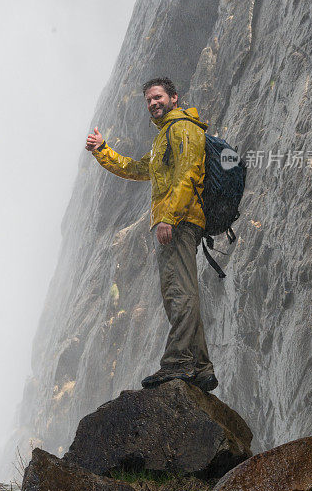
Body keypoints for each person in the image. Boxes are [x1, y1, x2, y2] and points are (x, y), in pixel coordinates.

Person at [85, 77, 218, 392]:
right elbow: (134, 169)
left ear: (174, 97)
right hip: (178, 219)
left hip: (180, 220)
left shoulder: (183, 129)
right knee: (180, 291)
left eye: (158, 97)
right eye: (148, 100)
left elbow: (188, 174)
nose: (153, 103)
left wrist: (168, 218)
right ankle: (201, 369)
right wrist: (103, 150)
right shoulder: (164, 139)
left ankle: (178, 363)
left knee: (179, 292)